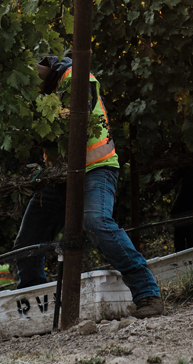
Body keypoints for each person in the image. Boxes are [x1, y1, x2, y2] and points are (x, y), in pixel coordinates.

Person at [11, 56, 164, 319]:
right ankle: (36, 309)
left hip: (97, 168)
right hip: (60, 175)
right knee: (27, 240)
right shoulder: (38, 93)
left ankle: (147, 293)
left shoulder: (76, 76)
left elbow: (76, 119)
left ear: (36, 73)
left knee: (95, 221)